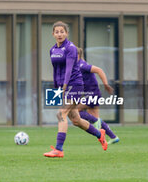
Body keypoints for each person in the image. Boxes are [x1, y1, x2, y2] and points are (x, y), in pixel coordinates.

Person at [43, 21, 108, 158]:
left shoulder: (71, 48)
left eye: (62, 31)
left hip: (75, 85)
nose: (59, 34)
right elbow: (56, 70)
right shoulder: (52, 50)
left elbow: (68, 68)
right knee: (76, 120)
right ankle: (99, 134)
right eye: (57, 32)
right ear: (53, 34)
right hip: (63, 87)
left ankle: (59, 149)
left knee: (61, 114)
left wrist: (65, 85)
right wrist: (57, 87)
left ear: (67, 33)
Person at [76, 47, 120, 144]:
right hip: (92, 93)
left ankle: (96, 122)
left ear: (77, 55)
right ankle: (113, 137)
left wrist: (105, 84)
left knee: (75, 111)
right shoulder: (78, 65)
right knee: (96, 118)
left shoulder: (82, 65)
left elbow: (99, 70)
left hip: (92, 94)